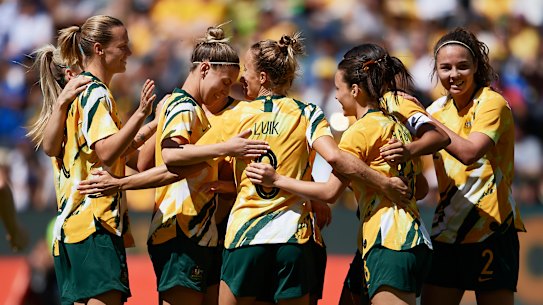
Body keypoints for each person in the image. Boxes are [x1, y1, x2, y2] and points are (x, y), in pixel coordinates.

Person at [245, 43, 433, 305]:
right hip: (410, 236)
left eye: (338, 89)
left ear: (354, 91)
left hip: (390, 239)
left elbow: (330, 192)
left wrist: (277, 179)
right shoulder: (396, 125)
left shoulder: (359, 131)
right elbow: (420, 188)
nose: (335, 96)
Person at [51, 15, 158, 305]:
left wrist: (152, 125)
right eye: (123, 46)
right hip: (96, 222)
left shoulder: (75, 92)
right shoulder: (97, 93)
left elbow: (119, 155)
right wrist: (141, 114)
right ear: (99, 49)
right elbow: (107, 152)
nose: (129, 52)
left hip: (71, 226)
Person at [418, 27, 526, 305]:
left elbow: (469, 153)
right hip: (446, 232)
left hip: (492, 228)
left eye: (462, 66)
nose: (453, 74)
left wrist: (421, 119)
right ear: (436, 70)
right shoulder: (433, 111)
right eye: (445, 67)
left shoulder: (493, 103)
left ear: (476, 66)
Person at [336, 45, 450, 305]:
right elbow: (418, 188)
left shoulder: (396, 103)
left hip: (390, 233)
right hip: (378, 230)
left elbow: (438, 136)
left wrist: (408, 151)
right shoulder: (371, 116)